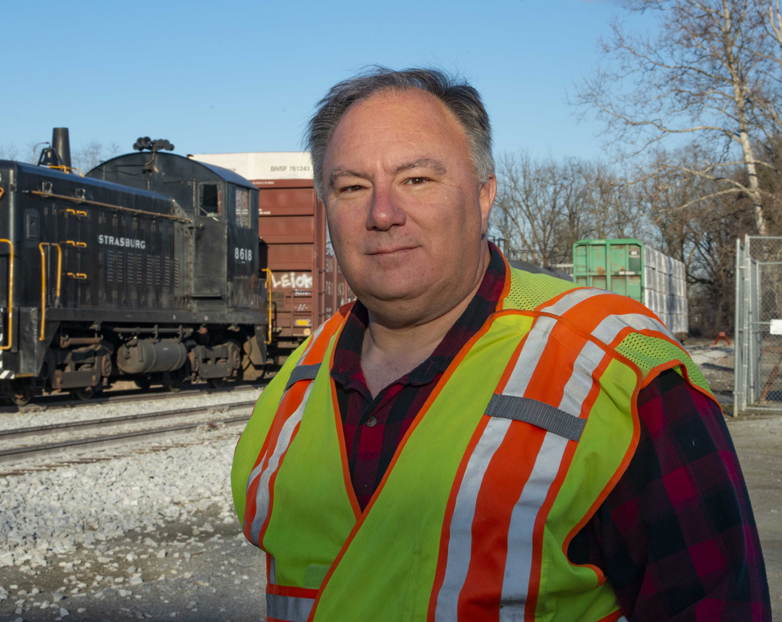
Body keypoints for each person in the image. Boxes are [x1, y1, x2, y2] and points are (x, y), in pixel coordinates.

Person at [231, 67, 770, 621]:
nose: (383, 214)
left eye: (417, 179)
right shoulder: (297, 380)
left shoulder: (615, 367)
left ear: (485, 195)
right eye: (352, 187)